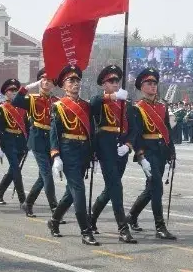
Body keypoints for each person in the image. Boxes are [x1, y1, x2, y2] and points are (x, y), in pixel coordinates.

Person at [45, 65, 98, 245]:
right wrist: (55, 156)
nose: (75, 84)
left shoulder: (86, 105)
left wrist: (94, 154)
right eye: (71, 81)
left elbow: (91, 131)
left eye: (77, 80)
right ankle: (85, 231)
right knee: (79, 189)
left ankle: (54, 220)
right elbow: (54, 132)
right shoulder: (58, 106)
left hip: (83, 151)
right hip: (68, 149)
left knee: (71, 191)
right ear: (63, 85)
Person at [125, 67, 177, 240]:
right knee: (157, 187)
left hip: (161, 150)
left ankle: (131, 216)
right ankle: (160, 226)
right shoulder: (137, 108)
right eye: (149, 83)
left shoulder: (163, 106)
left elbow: (167, 130)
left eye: (155, 83)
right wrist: (140, 155)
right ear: (141, 86)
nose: (153, 86)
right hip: (147, 151)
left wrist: (172, 152)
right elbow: (136, 133)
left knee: (152, 188)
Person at [88, 64, 136, 243]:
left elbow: (134, 129)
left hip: (121, 149)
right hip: (105, 147)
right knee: (116, 187)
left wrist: (128, 145)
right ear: (104, 84)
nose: (116, 83)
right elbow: (92, 103)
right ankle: (123, 228)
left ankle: (91, 218)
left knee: (111, 189)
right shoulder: (101, 100)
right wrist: (112, 97)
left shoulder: (126, 104)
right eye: (111, 81)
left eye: (117, 81)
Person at [13, 68, 58, 216]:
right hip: (37, 138)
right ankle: (55, 208)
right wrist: (26, 88)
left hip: (51, 140)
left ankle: (28, 203)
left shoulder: (56, 101)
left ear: (53, 84)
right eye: (43, 79)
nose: (46, 82)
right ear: (39, 82)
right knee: (47, 174)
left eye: (49, 80)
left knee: (42, 177)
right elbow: (16, 101)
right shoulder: (32, 99)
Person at [0, 79, 30, 211]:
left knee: (13, 170)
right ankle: (22, 199)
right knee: (15, 169)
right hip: (8, 140)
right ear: (5, 93)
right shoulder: (2, 108)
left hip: (20, 140)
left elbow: (27, 126)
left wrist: (28, 142)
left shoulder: (22, 108)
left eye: (16, 90)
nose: (14, 93)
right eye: (11, 91)